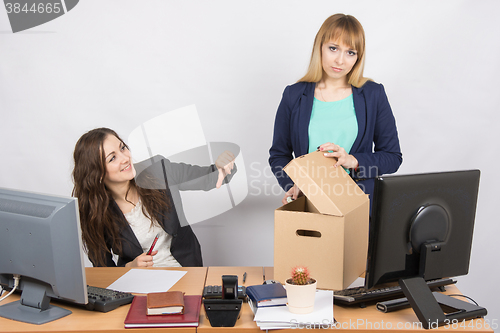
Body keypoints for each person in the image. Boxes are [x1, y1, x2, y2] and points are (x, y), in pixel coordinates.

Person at [269, 13, 402, 207]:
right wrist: (294, 184)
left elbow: (392, 157)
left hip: (360, 204)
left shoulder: (373, 95)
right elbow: (279, 155)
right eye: (333, 48)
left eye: (351, 52)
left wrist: (352, 160)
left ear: (358, 57)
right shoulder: (294, 95)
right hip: (310, 203)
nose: (340, 60)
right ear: (319, 47)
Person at [72, 127, 235, 267]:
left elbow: (209, 178)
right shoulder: (94, 212)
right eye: (112, 158)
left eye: (122, 148)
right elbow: (102, 270)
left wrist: (222, 166)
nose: (125, 158)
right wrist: (129, 267)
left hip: (186, 272)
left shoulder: (158, 171)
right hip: (138, 285)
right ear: (97, 174)